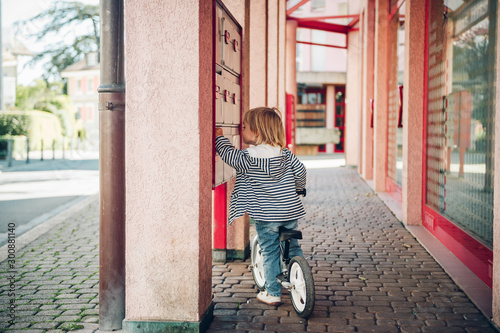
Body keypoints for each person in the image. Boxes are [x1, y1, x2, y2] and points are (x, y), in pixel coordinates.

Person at [215, 106, 307, 306]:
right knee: (292, 246)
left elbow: (230, 156)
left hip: (267, 217)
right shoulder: (285, 154)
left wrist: (220, 138)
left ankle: (273, 293)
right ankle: (301, 275)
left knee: (270, 250)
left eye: (245, 127)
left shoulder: (249, 157)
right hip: (290, 211)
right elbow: (301, 171)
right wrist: (299, 189)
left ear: (257, 132)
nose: (242, 130)